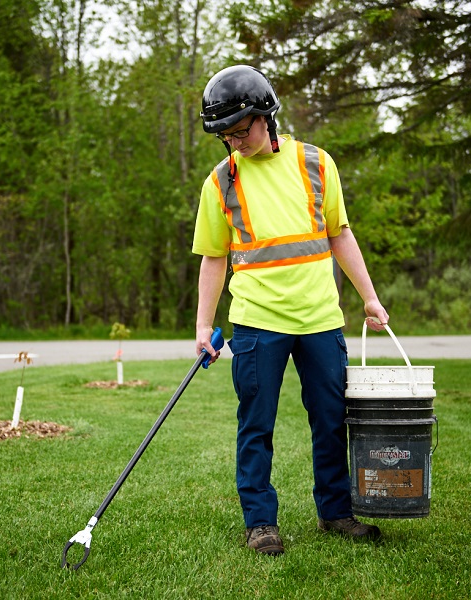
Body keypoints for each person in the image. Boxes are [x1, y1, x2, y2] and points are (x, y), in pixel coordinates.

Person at [192, 64, 390, 556]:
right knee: (255, 423)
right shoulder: (220, 183)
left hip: (321, 318)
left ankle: (336, 513)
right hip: (257, 323)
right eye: (226, 136)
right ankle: (260, 522)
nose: (236, 142)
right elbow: (214, 258)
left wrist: (369, 296)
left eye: (243, 130)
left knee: (329, 419)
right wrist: (202, 324)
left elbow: (339, 233)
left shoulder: (317, 163)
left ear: (267, 116)